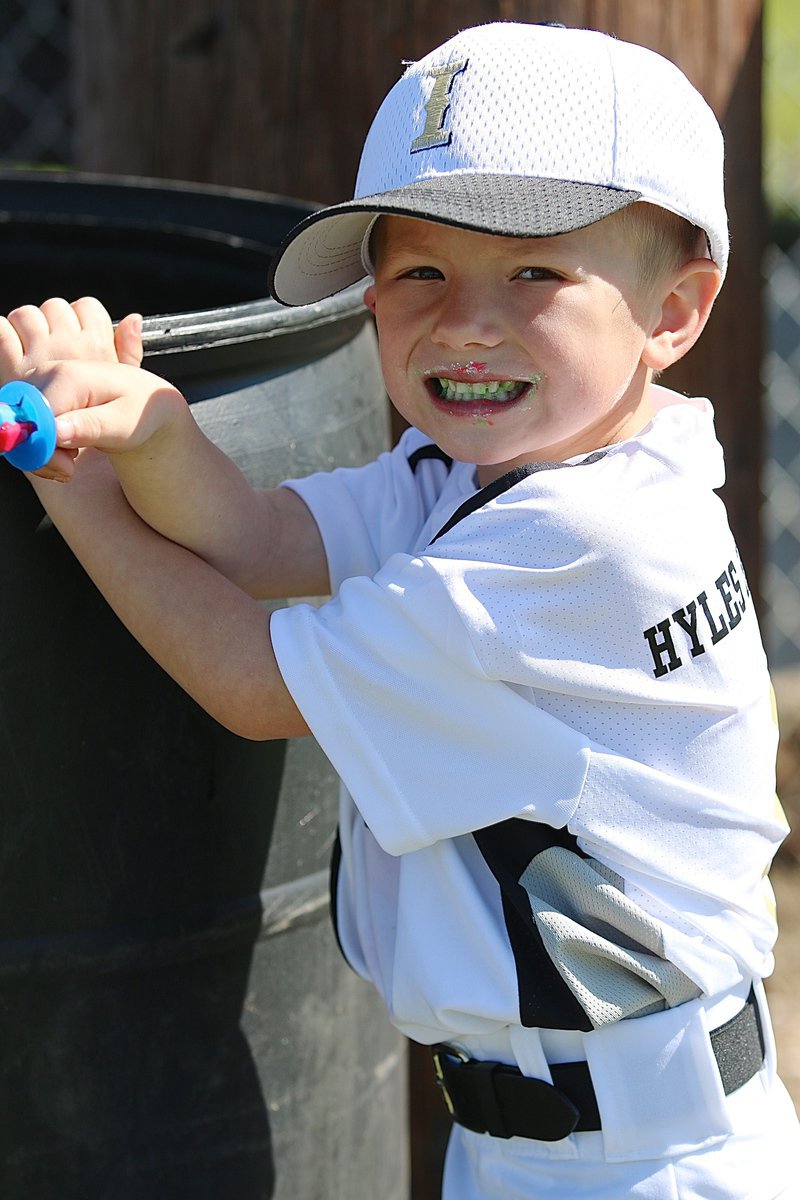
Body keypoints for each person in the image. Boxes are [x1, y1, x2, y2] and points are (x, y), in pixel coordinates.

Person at [3, 20, 799, 1199]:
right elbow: (261, 536)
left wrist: (62, 479)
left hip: (635, 1161)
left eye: (533, 271)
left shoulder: (572, 544)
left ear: (671, 314)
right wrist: (153, 426)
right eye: (418, 271)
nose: (464, 320)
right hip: (546, 1130)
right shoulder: (517, 472)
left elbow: (253, 683)